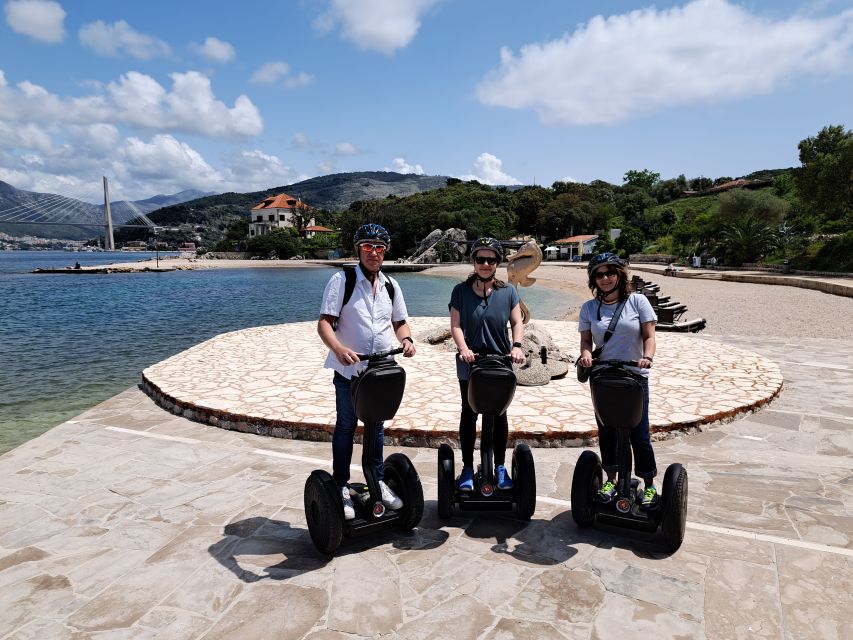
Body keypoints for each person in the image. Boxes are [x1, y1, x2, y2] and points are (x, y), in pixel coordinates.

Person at [317, 223, 416, 520]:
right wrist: (338, 349)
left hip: (381, 370)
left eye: (379, 248)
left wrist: (407, 340)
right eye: (368, 247)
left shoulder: (390, 285)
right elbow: (324, 323)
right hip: (350, 371)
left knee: (377, 427)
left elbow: (400, 322)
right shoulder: (342, 280)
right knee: (346, 425)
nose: (374, 253)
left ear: (385, 252)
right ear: (358, 249)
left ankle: (378, 481)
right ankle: (342, 485)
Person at [577, 252, 660, 509]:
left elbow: (649, 336)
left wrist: (647, 357)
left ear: (619, 275)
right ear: (594, 279)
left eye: (610, 272)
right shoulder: (589, 308)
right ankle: (611, 480)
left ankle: (649, 485)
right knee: (607, 431)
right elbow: (586, 341)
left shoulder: (638, 302)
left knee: (640, 434)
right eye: (599, 274)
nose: (605, 278)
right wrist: (586, 356)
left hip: (633, 376)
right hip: (603, 377)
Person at [449, 237, 526, 491]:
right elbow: (456, 325)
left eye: (490, 260)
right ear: (473, 262)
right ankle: (468, 468)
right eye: (480, 259)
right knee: (469, 414)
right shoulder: (460, 291)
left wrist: (516, 346)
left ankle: (501, 467)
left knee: (499, 414)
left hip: (501, 361)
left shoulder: (508, 292)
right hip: (471, 363)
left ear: (497, 263)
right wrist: (464, 349)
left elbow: (517, 322)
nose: (485, 263)